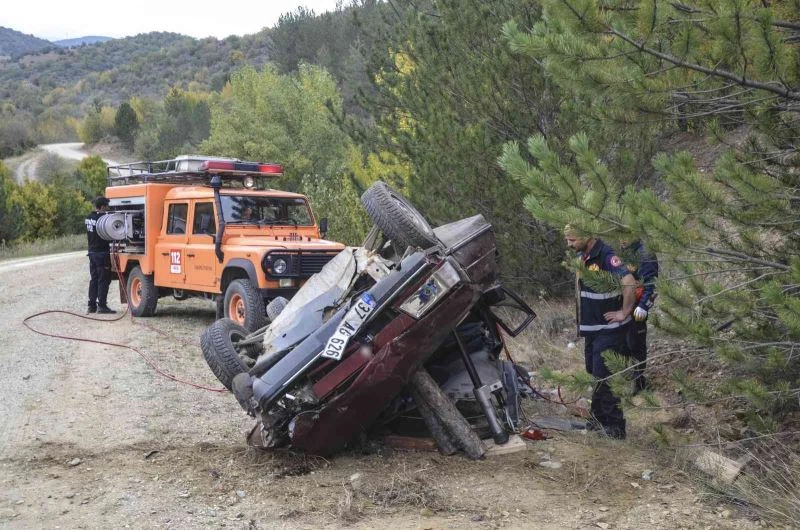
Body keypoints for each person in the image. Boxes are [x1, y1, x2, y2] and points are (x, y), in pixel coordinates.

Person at [565, 225, 637, 439]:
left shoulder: (607, 255)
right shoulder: (584, 256)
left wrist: (624, 311)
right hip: (593, 329)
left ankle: (614, 428)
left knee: (605, 377)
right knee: (594, 374)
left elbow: (629, 282)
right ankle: (597, 421)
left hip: (609, 330)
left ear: (587, 235)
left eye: (572, 239)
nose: (568, 244)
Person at [622, 239, 659, 394]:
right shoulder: (619, 252)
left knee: (636, 344)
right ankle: (625, 378)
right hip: (621, 305)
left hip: (637, 305)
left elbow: (651, 281)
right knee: (622, 344)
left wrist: (644, 305)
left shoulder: (644, 252)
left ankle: (638, 382)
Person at [85, 196, 116, 314]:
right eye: (107, 206)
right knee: (104, 279)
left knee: (94, 279)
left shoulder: (88, 217)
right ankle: (102, 306)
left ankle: (91, 306)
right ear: (103, 206)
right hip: (102, 253)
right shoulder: (103, 218)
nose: (108, 208)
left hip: (92, 253)